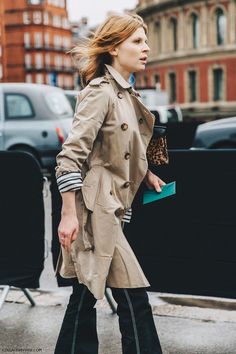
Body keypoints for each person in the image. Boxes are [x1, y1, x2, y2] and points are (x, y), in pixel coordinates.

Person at [54, 13, 165, 354]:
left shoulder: (127, 95)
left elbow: (118, 149)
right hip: (94, 213)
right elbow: (69, 156)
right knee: (133, 298)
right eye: (137, 41)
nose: (146, 48)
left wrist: (145, 173)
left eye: (145, 40)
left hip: (113, 210)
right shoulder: (100, 92)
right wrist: (68, 214)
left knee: (85, 294)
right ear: (115, 48)